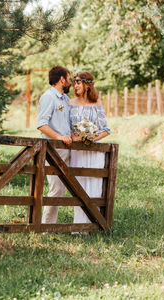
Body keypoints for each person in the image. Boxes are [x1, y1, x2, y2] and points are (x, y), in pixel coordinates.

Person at [69, 71, 111, 227]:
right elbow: (67, 128)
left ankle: (95, 225)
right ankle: (79, 227)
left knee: (94, 185)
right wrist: (75, 137)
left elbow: (106, 129)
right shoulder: (70, 103)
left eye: (78, 83)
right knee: (79, 186)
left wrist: (92, 138)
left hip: (94, 151)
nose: (75, 86)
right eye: (74, 82)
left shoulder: (97, 104)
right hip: (77, 152)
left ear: (87, 85)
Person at [37, 65, 72, 224]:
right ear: (62, 79)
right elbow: (42, 125)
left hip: (69, 148)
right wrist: (60, 137)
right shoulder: (48, 97)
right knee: (56, 187)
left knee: (66, 188)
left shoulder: (65, 99)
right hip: (53, 149)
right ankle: (46, 226)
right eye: (69, 79)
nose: (70, 82)